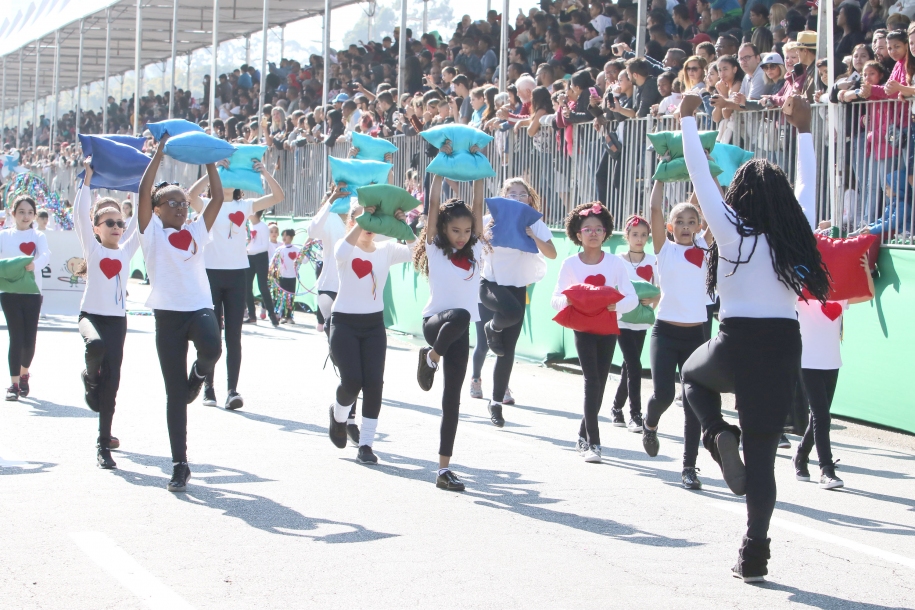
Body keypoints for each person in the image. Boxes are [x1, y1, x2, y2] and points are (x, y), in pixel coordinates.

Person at [678, 93, 830, 582]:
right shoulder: (794, 233)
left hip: (735, 340)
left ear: (739, 196)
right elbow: (808, 185)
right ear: (782, 200)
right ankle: (754, 554)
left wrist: (687, 120)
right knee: (763, 459)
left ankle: (717, 432)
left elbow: (699, 174)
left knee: (691, 376)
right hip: (783, 345)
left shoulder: (730, 231)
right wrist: (804, 129)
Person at [137, 134, 226, 493]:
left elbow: (217, 198)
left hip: (199, 307)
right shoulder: (151, 233)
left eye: (183, 203)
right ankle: (180, 464)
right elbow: (143, 193)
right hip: (167, 317)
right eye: (171, 203)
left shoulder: (195, 231)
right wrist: (158, 153)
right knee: (175, 396)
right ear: (157, 209)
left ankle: (199, 375)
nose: (179, 208)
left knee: (213, 347)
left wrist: (209, 159)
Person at [187, 158, 285, 409]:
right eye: (222, 177)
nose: (227, 181)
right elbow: (190, 196)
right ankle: (208, 388)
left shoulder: (245, 205)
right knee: (212, 334)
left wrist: (265, 172)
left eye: (231, 177)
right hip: (210, 274)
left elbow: (278, 196)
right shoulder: (208, 204)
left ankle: (232, 390)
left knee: (234, 336)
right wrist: (212, 169)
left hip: (237, 276)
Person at [326, 198, 417, 464]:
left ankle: (366, 444)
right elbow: (342, 252)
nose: (367, 223)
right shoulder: (344, 247)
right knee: (352, 381)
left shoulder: (386, 250)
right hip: (344, 323)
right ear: (351, 222)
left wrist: (404, 227)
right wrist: (363, 219)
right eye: (360, 217)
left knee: (374, 383)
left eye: (371, 219)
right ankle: (338, 416)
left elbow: (416, 253)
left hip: (374, 325)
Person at [414, 174, 486, 491]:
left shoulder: (477, 250)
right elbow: (432, 204)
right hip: (436, 324)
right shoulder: (435, 248)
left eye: (467, 231)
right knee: (461, 314)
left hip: (458, 335)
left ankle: (443, 470)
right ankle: (431, 357)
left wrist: (480, 173)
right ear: (444, 229)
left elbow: (478, 205)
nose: (462, 236)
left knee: (452, 401)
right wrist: (439, 174)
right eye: (455, 230)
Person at [552, 202, 637, 463]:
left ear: (606, 233)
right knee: (592, 381)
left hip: (608, 329)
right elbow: (555, 298)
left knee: (600, 382)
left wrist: (616, 305)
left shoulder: (615, 263)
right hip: (582, 329)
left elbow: (631, 297)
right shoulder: (569, 264)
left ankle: (582, 434)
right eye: (587, 229)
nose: (593, 233)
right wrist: (568, 300)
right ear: (578, 234)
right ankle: (594, 443)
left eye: (598, 229)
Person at [641, 180, 711, 491]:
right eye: (679, 221)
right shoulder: (664, 249)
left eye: (691, 221)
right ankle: (650, 424)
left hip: (696, 335)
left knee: (692, 403)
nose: (685, 226)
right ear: (670, 227)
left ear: (699, 226)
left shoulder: (705, 247)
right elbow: (655, 208)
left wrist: (704, 171)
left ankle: (688, 467)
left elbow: (712, 205)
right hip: (665, 333)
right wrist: (660, 175)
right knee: (664, 395)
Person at [74, 161, 140, 469]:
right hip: (91, 316)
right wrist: (87, 180)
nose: (116, 226)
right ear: (96, 228)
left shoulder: (126, 250)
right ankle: (90, 378)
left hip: (117, 321)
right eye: (109, 222)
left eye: (119, 222)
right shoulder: (93, 248)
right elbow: (79, 215)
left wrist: (139, 185)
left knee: (112, 382)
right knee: (95, 346)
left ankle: (103, 443)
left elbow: (140, 220)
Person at [794, 242, 876, 488]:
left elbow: (868, 294)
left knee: (818, 417)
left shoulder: (838, 295)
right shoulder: (801, 295)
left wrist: (864, 269)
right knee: (822, 415)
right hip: (807, 362)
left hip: (831, 361)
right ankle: (826, 470)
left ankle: (800, 456)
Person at [479, 177, 557, 427]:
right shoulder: (489, 219)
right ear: (503, 197)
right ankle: (492, 327)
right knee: (511, 313)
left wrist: (533, 236)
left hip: (517, 287)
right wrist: (485, 234)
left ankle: (495, 403)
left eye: (522, 194)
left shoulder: (533, 222)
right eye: (511, 193)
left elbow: (552, 253)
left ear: (529, 199)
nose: (517, 197)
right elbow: (470, 244)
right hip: (490, 284)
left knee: (507, 350)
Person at [610, 215, 658, 433]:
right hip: (621, 319)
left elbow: (660, 289)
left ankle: (616, 407)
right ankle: (635, 414)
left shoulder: (653, 260)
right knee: (634, 365)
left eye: (644, 235)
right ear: (626, 235)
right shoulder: (617, 260)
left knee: (629, 366)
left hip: (642, 320)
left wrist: (653, 300)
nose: (639, 239)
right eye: (635, 234)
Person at [0, 195, 50, 401]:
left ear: (34, 215)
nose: (25, 216)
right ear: (13, 214)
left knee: (29, 341)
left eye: (30, 212)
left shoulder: (38, 236)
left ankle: (24, 373)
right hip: (9, 293)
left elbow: (46, 255)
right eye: (21, 212)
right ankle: (13, 385)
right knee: (16, 337)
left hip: (32, 293)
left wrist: (34, 265)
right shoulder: (4, 235)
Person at [245, 210, 279, 327]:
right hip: (249, 258)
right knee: (247, 286)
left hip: (261, 258)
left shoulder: (263, 227)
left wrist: (248, 251)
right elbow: (249, 242)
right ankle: (252, 315)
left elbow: (264, 246)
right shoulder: (249, 225)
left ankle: (272, 315)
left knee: (263, 286)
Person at [273, 228, 302, 324]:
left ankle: (289, 316)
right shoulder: (279, 249)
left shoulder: (297, 249)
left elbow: (304, 261)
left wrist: (303, 254)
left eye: (286, 235)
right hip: (282, 277)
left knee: (290, 297)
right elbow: (274, 263)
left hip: (292, 277)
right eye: (283, 235)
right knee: (282, 297)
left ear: (291, 237)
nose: (284, 237)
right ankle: (281, 316)